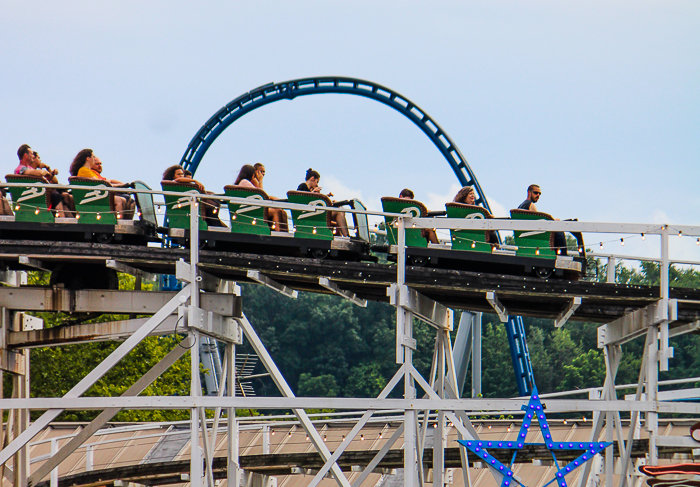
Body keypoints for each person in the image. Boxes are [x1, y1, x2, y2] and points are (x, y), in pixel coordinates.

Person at [69, 149, 135, 219]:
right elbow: (100, 184)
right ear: (88, 158)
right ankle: (118, 224)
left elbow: (106, 182)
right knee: (120, 200)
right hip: (92, 198)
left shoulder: (91, 172)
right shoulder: (83, 170)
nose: (94, 159)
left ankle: (124, 221)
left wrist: (122, 186)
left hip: (97, 196)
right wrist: (121, 186)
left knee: (125, 200)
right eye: (93, 157)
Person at [14, 144, 74, 216]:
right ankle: (62, 218)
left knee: (62, 195)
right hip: (32, 197)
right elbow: (34, 173)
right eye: (31, 154)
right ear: (26, 156)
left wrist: (48, 170)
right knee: (56, 195)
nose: (33, 156)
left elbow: (54, 181)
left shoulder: (30, 168)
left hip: (37, 195)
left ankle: (69, 221)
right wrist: (43, 172)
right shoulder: (21, 168)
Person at [296, 168, 348, 237]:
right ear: (312, 178)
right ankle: (346, 236)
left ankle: (343, 235)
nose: (317, 185)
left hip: (313, 214)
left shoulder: (307, 189)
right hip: (310, 215)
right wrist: (314, 193)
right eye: (317, 182)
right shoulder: (303, 186)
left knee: (339, 211)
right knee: (338, 212)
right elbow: (302, 200)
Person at [517, 184, 566, 254]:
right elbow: (539, 224)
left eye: (539, 194)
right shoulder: (531, 205)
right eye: (535, 193)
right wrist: (554, 221)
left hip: (524, 239)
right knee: (559, 230)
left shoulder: (520, 207)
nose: (538, 195)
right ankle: (563, 254)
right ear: (529, 193)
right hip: (534, 239)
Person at [246, 163, 288, 231]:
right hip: (254, 209)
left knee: (282, 212)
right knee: (276, 211)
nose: (262, 173)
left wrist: (272, 197)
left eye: (264, 171)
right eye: (260, 171)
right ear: (255, 171)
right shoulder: (254, 181)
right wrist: (260, 180)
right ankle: (278, 232)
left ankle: (284, 232)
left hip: (258, 206)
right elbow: (260, 194)